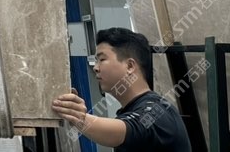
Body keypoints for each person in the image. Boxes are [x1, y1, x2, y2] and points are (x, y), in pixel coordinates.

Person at [52, 27, 190, 151]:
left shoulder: (158, 110)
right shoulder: (131, 110)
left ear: (130, 66)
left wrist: (81, 119)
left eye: (102, 59)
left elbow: (128, 129)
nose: (95, 68)